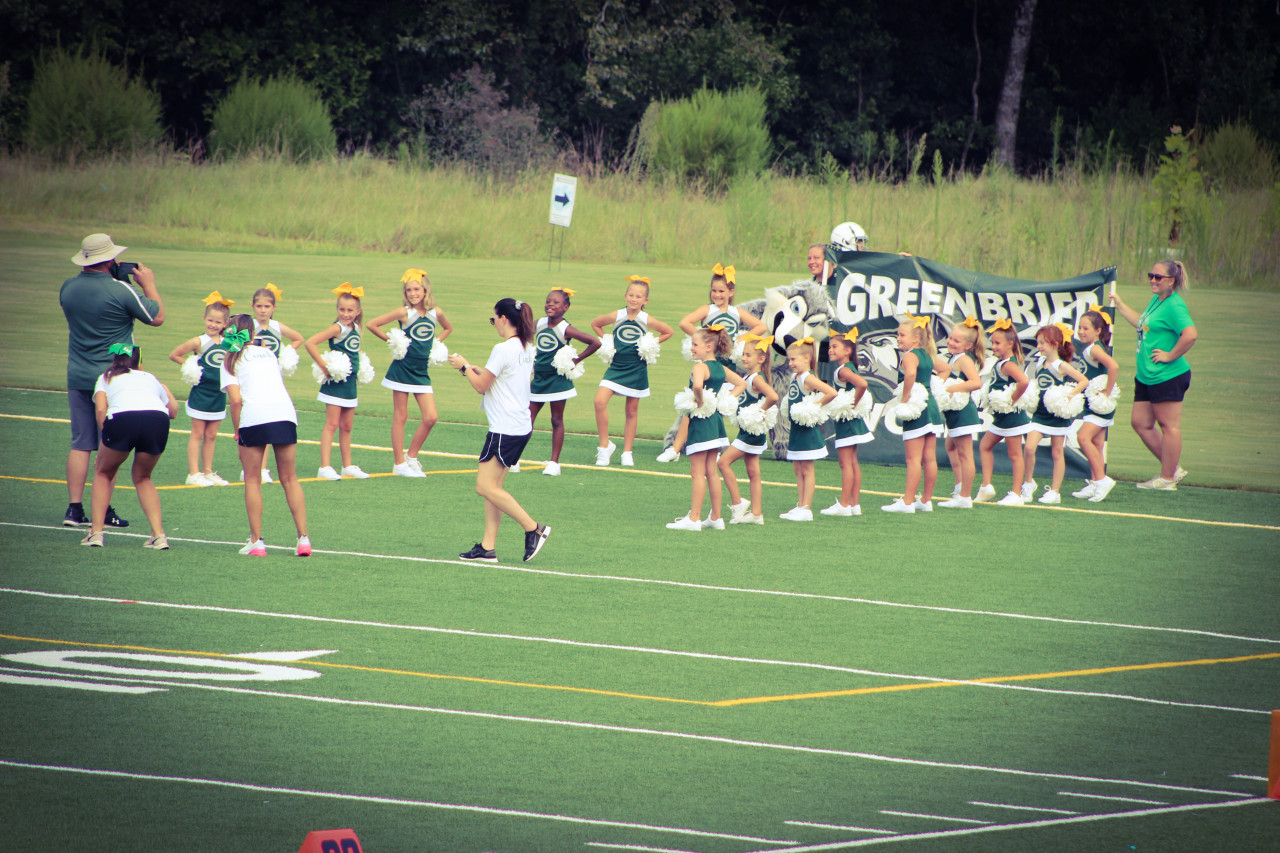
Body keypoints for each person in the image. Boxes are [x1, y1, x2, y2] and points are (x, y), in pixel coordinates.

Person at [60, 233, 164, 528]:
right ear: (108, 261)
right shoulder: (120, 290)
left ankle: (74, 509)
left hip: (78, 373)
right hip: (112, 378)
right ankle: (103, 510)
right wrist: (149, 285)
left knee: (81, 442)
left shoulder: (68, 288)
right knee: (110, 444)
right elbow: (156, 317)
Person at [447, 298, 551, 563]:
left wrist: (463, 366)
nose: (494, 324)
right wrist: (476, 371)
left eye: (494, 320)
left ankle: (534, 528)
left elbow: (481, 386)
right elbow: (503, 380)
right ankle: (487, 547)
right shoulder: (527, 346)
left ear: (504, 319)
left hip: (505, 429)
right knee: (495, 488)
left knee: (484, 487)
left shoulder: (502, 348)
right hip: (519, 426)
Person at [220, 315, 310, 557]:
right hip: (284, 413)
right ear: (251, 334)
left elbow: (236, 400)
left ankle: (256, 541)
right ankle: (303, 539)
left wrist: (238, 432)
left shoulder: (229, 361)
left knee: (252, 479)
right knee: (290, 478)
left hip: (254, 416)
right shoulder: (269, 354)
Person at [659, 264, 766, 462]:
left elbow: (761, 326)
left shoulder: (736, 312)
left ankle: (715, 449)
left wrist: (739, 340)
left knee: (717, 409)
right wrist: (703, 339)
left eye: (722, 291)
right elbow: (685, 322)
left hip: (726, 368)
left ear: (731, 292)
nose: (717, 294)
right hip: (707, 365)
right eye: (714, 290)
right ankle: (675, 448)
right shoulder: (707, 309)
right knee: (693, 407)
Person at [80, 344, 178, 548]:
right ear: (139, 362)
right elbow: (174, 410)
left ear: (115, 361)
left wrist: (106, 437)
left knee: (103, 472)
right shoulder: (150, 377)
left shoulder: (106, 377)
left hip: (123, 420)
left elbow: (100, 409)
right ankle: (159, 536)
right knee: (143, 477)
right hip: (157, 420)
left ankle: (96, 533)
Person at [1112, 260, 1197, 490]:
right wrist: (1120, 306)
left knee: (1169, 425)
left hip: (1167, 375)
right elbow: (1143, 325)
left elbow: (1190, 334)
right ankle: (1172, 469)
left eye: (1158, 277)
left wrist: (1170, 355)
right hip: (1147, 375)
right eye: (1151, 275)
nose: (1152, 279)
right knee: (1140, 422)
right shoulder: (1157, 300)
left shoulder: (1174, 305)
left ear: (1171, 281)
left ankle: (1167, 478)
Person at [366, 268, 453, 477]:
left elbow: (448, 328)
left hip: (421, 371)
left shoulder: (436, 313)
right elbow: (372, 324)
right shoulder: (404, 312)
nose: (413, 293)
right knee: (401, 416)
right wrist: (393, 342)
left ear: (425, 290)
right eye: (409, 290)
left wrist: (435, 343)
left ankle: (411, 456)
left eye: (416, 289)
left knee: (431, 417)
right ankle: (399, 463)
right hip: (402, 369)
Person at [666, 326, 745, 531]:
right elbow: (740, 384)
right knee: (711, 471)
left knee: (697, 472)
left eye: (695, 344)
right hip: (716, 424)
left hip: (701, 424)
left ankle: (694, 519)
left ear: (708, 347)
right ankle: (716, 518)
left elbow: (698, 387)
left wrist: (699, 401)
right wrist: (722, 401)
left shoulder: (700, 368)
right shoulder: (720, 368)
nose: (691, 348)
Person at [590, 276, 673, 467]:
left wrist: (650, 344)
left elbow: (668, 331)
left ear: (646, 301)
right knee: (599, 401)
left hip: (636, 368)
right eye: (631, 295)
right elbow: (596, 323)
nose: (634, 299)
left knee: (631, 410)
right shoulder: (617, 315)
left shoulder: (645, 319)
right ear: (625, 296)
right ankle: (605, 446)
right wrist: (607, 341)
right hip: (616, 367)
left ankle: (627, 452)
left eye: (639, 296)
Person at [529, 287, 600, 476]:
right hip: (539, 379)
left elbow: (595, 343)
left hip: (557, 380)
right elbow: (522, 332)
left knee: (556, 419)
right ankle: (513, 458)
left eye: (556, 302)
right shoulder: (540, 323)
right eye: (548, 301)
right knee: (526, 419)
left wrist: (575, 360)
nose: (550, 304)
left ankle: (554, 463)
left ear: (566, 307)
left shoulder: (565, 328)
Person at [883, 315, 949, 513]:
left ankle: (907, 502)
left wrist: (905, 397)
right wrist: (931, 387)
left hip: (917, 410)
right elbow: (946, 369)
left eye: (902, 335)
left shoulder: (910, 356)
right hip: (931, 408)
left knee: (913, 459)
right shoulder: (927, 355)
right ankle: (926, 501)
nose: (898, 338)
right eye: (897, 335)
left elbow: (910, 374)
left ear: (916, 339)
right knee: (929, 458)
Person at [306, 283, 369, 480]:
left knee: (347, 425)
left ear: (358, 311)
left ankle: (347, 465)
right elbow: (310, 343)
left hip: (350, 384)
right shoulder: (337, 328)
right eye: (342, 309)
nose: (345, 313)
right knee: (332, 424)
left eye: (350, 310)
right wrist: (324, 366)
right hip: (335, 384)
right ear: (337, 310)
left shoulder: (356, 327)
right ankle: (324, 466)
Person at [168, 292, 232, 486]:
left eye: (218, 322)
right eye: (210, 320)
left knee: (212, 435)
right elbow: (175, 354)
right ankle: (194, 474)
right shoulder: (199, 341)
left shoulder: (229, 341)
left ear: (225, 323)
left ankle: (208, 472)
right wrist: (191, 366)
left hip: (219, 394)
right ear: (204, 319)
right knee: (197, 433)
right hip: (201, 393)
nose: (213, 325)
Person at [244, 284, 304, 483]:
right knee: (258, 418)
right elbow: (234, 346)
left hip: (272, 378)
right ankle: (252, 468)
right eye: (259, 306)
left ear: (273, 308)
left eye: (267, 306)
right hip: (254, 379)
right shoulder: (249, 327)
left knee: (270, 418)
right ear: (253, 307)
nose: (263, 310)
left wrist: (285, 354)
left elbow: (298, 338)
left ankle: (262, 468)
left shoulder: (277, 327)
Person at [1022, 324, 1089, 504]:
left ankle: (1055, 492)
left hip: (1056, 415)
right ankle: (1028, 484)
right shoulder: (1038, 363)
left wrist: (1068, 396)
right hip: (1040, 414)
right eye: (1038, 343)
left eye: (1043, 343)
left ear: (1055, 344)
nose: (1039, 346)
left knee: (1057, 452)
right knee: (1029, 447)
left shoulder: (1060, 365)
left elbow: (1083, 381)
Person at [718, 334, 779, 525]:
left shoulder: (756, 379)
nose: (744, 358)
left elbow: (773, 397)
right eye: (743, 354)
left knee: (722, 463)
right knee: (753, 472)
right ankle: (756, 513)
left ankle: (738, 502)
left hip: (750, 433)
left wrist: (759, 412)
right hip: (750, 430)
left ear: (761, 359)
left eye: (748, 355)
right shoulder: (749, 376)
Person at [975, 319, 1033, 506]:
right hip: (1002, 418)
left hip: (1012, 418)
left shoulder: (1007, 364)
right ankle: (986, 486)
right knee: (985, 446)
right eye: (992, 343)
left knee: (1015, 454)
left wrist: (1012, 400)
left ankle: (1016, 494)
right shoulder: (1004, 362)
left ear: (1010, 344)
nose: (993, 346)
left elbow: (1024, 382)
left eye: (997, 343)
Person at [779, 338, 837, 521]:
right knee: (798, 468)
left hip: (807, 431)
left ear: (806, 358)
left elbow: (831, 392)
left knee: (807, 469)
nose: (790, 363)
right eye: (789, 360)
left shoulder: (808, 377)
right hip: (796, 429)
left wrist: (814, 406)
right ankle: (800, 505)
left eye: (793, 360)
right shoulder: (795, 377)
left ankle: (806, 508)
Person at [1070, 308, 1120, 502]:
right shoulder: (1095, 346)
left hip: (1099, 403)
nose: (1081, 332)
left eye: (1086, 328)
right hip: (1095, 403)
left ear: (1098, 330)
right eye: (1079, 328)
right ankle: (1094, 483)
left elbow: (1114, 366)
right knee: (1097, 443)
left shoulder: (1094, 348)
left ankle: (1101, 480)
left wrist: (1107, 391)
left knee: (1082, 437)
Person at [820, 329, 872, 516]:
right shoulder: (848, 366)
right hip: (853, 421)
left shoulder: (843, 369)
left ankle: (843, 505)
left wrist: (852, 404)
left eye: (835, 347)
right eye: (830, 347)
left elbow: (862, 384)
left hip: (847, 421)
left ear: (847, 350)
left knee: (845, 464)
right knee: (852, 462)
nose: (830, 350)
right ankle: (853, 505)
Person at [938, 318, 986, 509]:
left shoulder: (964, 359)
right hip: (955, 414)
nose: (951, 342)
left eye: (956, 341)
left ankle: (965, 497)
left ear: (968, 345)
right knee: (951, 446)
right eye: (950, 338)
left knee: (965, 455)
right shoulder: (954, 358)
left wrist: (950, 389)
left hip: (964, 413)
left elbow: (976, 383)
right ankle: (960, 487)